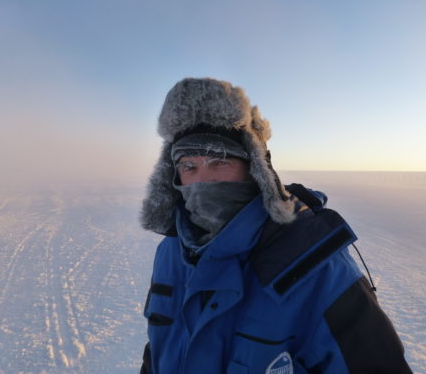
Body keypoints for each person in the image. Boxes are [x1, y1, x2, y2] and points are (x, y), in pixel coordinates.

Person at [139, 78, 412, 373]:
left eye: (220, 162)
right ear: (173, 177)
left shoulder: (314, 268)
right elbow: (160, 348)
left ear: (255, 171)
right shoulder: (170, 252)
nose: (204, 180)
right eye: (189, 167)